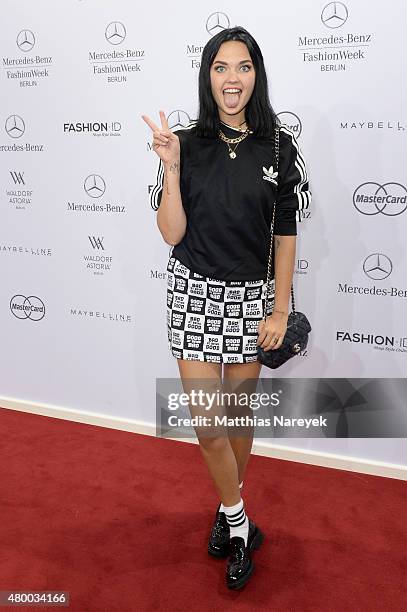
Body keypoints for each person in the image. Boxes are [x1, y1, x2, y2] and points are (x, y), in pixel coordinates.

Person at [142, 26, 311, 590]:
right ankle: (239, 520)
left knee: (238, 420)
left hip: (252, 299)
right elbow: (171, 234)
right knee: (208, 425)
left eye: (242, 67)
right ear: (206, 76)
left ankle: (225, 510)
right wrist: (169, 168)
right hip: (193, 295)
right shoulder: (184, 144)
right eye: (220, 67)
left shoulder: (281, 146)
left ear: (256, 74)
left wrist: (281, 309)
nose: (231, 78)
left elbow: (284, 234)